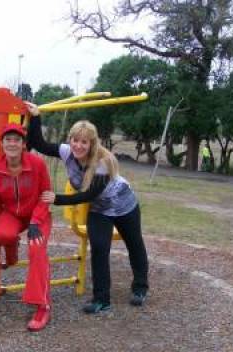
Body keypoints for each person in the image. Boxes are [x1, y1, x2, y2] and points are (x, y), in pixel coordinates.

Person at [25, 102, 149, 314]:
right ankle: (102, 299)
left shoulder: (103, 161)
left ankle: (140, 288)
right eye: (75, 140)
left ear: (92, 143)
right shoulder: (67, 152)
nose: (78, 146)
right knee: (100, 248)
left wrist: (57, 199)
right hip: (100, 210)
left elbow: (88, 195)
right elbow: (38, 143)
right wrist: (35, 117)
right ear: (70, 140)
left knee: (134, 243)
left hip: (123, 205)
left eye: (84, 142)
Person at [0, 123, 53, 332]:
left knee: (37, 250)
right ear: (1, 143)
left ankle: (42, 306)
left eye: (17, 140)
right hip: (13, 214)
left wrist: (36, 221)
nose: (12, 143)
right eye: (8, 139)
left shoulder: (37, 164)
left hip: (38, 215)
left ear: (23, 144)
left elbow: (46, 195)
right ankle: (11, 256)